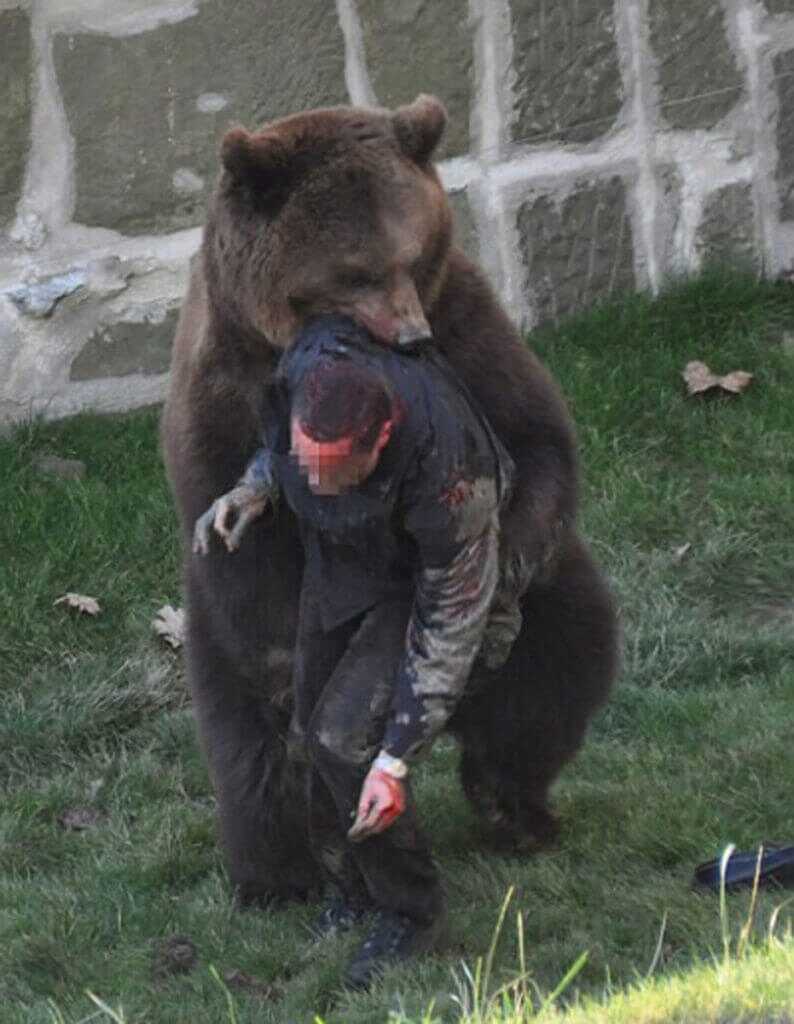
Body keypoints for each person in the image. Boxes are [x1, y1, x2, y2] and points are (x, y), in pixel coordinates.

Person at [193, 314, 518, 987]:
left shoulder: (453, 477)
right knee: (312, 728)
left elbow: (452, 627)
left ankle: (409, 907)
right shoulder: (309, 372)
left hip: (418, 584)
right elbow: (279, 451)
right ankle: (352, 890)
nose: (311, 483)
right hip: (342, 563)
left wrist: (396, 759)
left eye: (331, 471)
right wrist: (257, 488)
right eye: (305, 465)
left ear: (383, 440)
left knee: (352, 742)